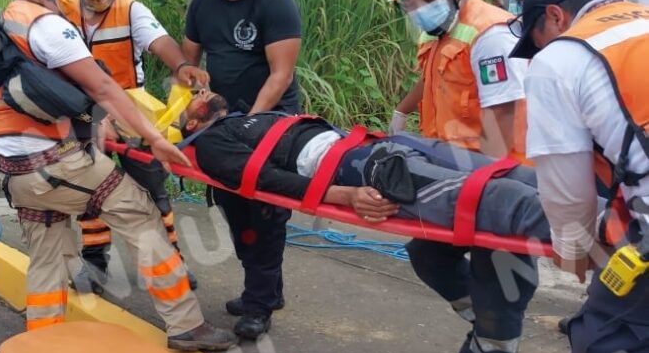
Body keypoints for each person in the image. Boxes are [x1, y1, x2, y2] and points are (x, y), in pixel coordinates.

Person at [0, 0, 235, 351]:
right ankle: (187, 324)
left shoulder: (10, 18)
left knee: (46, 254)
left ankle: (42, 345)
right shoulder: (46, 24)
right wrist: (154, 137)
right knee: (139, 212)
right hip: (54, 162)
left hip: (17, 169)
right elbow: (101, 86)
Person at [386, 0, 535, 353]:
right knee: (427, 254)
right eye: (410, 2)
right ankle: (483, 328)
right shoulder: (444, 31)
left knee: (501, 276)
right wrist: (401, 111)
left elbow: (502, 119)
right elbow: (434, 76)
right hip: (454, 173)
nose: (418, 9)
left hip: (499, 177)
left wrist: (485, 191)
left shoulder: (490, 33)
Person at [509, 0, 649, 353]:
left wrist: (575, 256)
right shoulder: (640, 23)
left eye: (535, 40)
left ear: (554, 16)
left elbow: (567, 196)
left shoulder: (562, 58)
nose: (538, 53)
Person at [174, 90, 571, 240]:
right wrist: (343, 195)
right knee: (491, 197)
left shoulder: (247, 119)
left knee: (502, 172)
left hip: (381, 146)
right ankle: (610, 230)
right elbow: (263, 179)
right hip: (360, 170)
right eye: (192, 99)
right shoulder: (209, 143)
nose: (200, 91)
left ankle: (620, 204)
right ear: (191, 123)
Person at [179, 0, 302, 340]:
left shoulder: (275, 2)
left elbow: (280, 74)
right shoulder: (202, 6)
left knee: (266, 209)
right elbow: (186, 63)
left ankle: (258, 300)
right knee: (234, 206)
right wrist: (189, 86)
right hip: (223, 125)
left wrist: (248, 124)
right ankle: (267, 289)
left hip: (270, 121)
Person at [66, 0, 211, 295]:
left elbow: (159, 41)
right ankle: (95, 262)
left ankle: (171, 261)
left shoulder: (131, 10)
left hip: (130, 113)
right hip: (85, 113)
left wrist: (181, 65)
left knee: (152, 190)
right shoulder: (63, 9)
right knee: (90, 192)